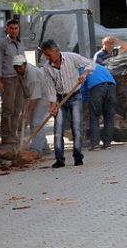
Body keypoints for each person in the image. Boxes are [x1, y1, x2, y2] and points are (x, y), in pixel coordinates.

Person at [41, 39, 93, 168]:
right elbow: (50, 87)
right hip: (60, 100)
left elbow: (91, 64)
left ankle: (78, 157)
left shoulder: (71, 58)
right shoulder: (47, 68)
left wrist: (85, 74)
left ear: (57, 51)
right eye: (45, 55)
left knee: (77, 128)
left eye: (49, 54)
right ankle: (59, 159)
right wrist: (52, 105)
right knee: (58, 130)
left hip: (75, 97)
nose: (47, 57)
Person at [0, 19, 25, 144]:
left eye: (16, 28)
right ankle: (6, 136)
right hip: (8, 78)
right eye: (11, 28)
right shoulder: (2, 44)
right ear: (6, 29)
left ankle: (14, 134)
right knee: (8, 108)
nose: (14, 30)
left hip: (20, 79)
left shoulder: (20, 43)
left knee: (18, 108)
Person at [13, 54, 50, 156]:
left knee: (36, 123)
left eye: (20, 67)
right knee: (33, 122)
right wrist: (25, 110)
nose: (18, 69)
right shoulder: (21, 72)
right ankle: (45, 148)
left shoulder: (32, 76)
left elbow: (35, 98)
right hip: (34, 96)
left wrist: (27, 113)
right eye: (16, 67)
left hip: (43, 97)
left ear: (25, 65)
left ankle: (36, 149)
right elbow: (27, 92)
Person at [80, 65, 117, 151]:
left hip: (97, 89)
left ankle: (95, 144)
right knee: (109, 117)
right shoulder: (100, 66)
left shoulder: (82, 69)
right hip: (112, 88)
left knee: (94, 116)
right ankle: (107, 144)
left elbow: (83, 87)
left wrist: (83, 102)